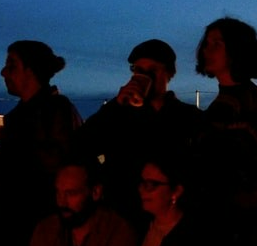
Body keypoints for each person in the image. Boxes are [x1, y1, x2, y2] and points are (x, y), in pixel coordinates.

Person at [74, 39, 204, 222]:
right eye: (138, 71)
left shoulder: (188, 117)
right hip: (123, 215)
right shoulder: (118, 115)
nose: (143, 77)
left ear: (169, 73)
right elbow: (82, 143)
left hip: (173, 218)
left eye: (152, 71)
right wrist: (116, 106)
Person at [0, 39, 82, 238]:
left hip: (44, 227)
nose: (3, 72)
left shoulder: (57, 109)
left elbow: (57, 162)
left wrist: (6, 144)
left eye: (12, 66)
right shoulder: (18, 116)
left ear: (31, 70)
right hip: (16, 225)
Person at [193, 17, 257, 215]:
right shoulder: (229, 101)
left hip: (234, 212)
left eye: (217, 44)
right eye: (206, 43)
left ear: (236, 50)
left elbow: (228, 163)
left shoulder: (245, 101)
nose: (207, 50)